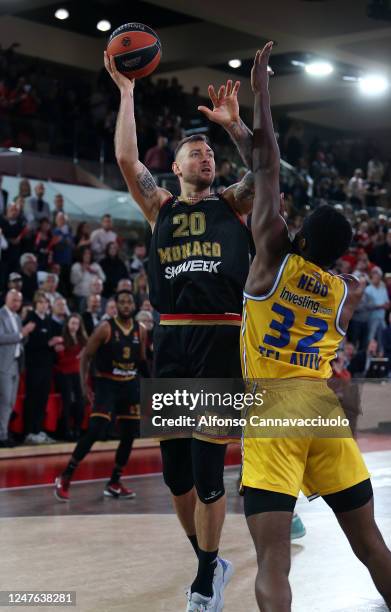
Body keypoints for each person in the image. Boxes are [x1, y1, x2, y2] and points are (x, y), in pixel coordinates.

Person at [240, 41, 391, 611]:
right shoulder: (343, 292)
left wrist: (261, 94)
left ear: (298, 236)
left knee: (274, 561)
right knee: (371, 544)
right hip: (322, 409)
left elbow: (265, 167)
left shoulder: (268, 266)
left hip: (273, 407)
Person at [104, 51, 256, 610]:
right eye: (197, 151)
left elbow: (264, 171)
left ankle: (203, 578)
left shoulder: (234, 205)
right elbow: (124, 156)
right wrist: (125, 90)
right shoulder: (160, 207)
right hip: (170, 341)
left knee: (207, 463)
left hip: (219, 339)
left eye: (211, 153)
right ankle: (208, 561)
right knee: (175, 477)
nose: (206, 157)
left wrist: (233, 126)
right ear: (176, 167)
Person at [54, 290, 147, 500]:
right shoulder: (105, 328)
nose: (125, 305)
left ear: (134, 305)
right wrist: (84, 386)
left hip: (129, 385)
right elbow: (86, 355)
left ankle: (114, 481)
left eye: (128, 302)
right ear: (115, 305)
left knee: (129, 434)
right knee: (96, 430)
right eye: (121, 302)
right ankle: (66, 475)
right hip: (106, 384)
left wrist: (152, 387)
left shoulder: (140, 330)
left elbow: (141, 361)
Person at [23, 291, 63, 445]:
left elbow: (51, 343)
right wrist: (48, 344)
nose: (43, 305)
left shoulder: (48, 321)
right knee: (32, 399)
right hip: (34, 366)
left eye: (45, 302)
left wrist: (56, 346)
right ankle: (28, 432)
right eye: (40, 302)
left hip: (47, 367)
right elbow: (27, 344)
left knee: (42, 399)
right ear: (35, 304)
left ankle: (38, 430)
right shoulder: (30, 320)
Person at [0, 290, 35, 447]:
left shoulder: (16, 317)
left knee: (11, 402)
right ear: (6, 299)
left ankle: (4, 433)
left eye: (19, 301)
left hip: (15, 364)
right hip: (3, 364)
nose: (16, 303)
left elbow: (21, 341)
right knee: (5, 401)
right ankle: (2, 436)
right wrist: (22, 333)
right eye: (13, 300)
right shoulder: (1, 315)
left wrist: (24, 335)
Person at [55, 314, 87, 441]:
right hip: (64, 374)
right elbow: (61, 361)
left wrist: (82, 355)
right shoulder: (61, 339)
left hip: (78, 374)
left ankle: (78, 429)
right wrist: (77, 356)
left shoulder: (82, 339)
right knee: (67, 401)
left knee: (80, 401)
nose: (74, 326)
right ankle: (66, 430)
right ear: (67, 324)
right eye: (72, 323)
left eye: (76, 324)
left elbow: (87, 356)